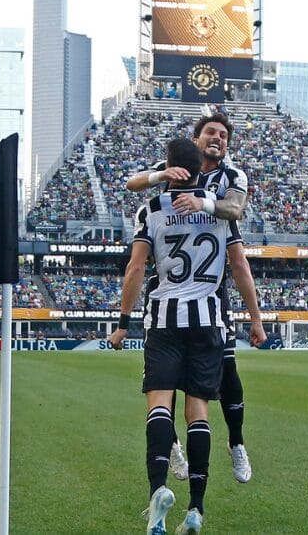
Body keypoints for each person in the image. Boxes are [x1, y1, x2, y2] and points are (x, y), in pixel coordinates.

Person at [110, 138, 262, 535]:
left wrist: (123, 322)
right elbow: (240, 266)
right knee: (198, 411)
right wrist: (256, 318)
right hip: (208, 319)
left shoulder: (152, 209)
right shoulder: (218, 208)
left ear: (169, 166)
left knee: (159, 407)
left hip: (164, 319)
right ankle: (196, 508)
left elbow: (136, 269)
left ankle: (158, 490)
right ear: (199, 169)